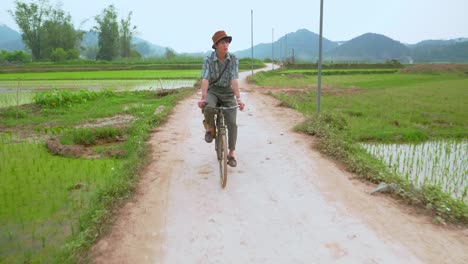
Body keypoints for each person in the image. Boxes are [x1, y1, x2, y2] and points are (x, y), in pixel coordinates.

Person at [197, 30, 245, 167]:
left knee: (232, 123)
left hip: (227, 92)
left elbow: (234, 79)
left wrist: (239, 99)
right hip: (213, 90)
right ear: (216, 45)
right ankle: (210, 128)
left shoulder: (233, 59)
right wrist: (203, 97)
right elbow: (205, 79)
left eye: (227, 42)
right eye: (222, 42)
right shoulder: (208, 59)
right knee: (208, 106)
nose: (226, 45)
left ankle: (231, 153)